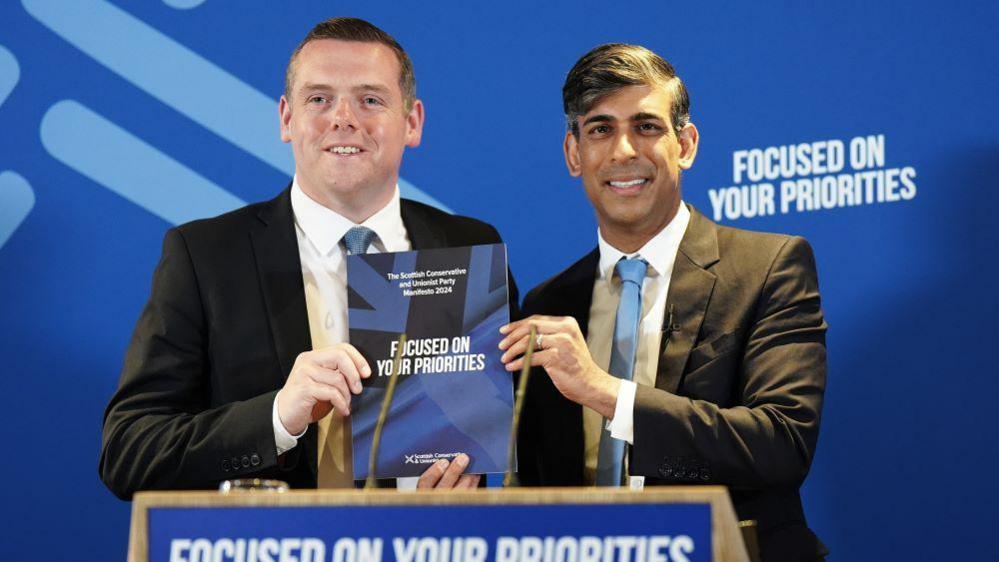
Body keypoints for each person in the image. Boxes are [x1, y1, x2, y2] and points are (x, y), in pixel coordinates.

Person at [100, 17, 514, 498]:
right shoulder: (205, 257)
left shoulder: (471, 249)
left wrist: (472, 480)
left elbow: (517, 431)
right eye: (319, 98)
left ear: (413, 122)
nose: (343, 118)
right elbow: (129, 453)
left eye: (370, 100)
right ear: (286, 118)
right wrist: (277, 416)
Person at [500, 44, 827, 561]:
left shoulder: (768, 267)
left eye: (647, 127)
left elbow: (781, 445)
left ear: (687, 144)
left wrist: (607, 393)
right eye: (600, 129)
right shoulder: (548, 302)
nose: (624, 151)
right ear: (573, 154)